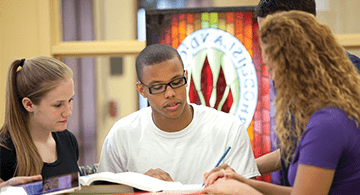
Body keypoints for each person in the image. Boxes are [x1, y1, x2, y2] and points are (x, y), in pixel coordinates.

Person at [202, 10, 360, 195]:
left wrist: (239, 191)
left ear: (292, 68)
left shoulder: (326, 124)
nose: (273, 77)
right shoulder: (336, 111)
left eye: (272, 67)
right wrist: (244, 182)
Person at [98, 44, 260, 184]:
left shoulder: (228, 129)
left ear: (186, 77)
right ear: (142, 90)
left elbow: (250, 191)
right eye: (158, 87)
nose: (170, 93)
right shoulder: (122, 135)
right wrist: (139, 187)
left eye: (176, 82)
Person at [254, 0, 360, 185]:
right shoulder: (295, 81)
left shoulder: (333, 112)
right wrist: (245, 173)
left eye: (275, 37)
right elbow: (299, 149)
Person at [0, 56, 79, 188]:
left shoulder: (68, 140)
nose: (68, 112)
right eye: (58, 105)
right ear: (29, 105)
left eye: (70, 100)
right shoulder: (4, 149)